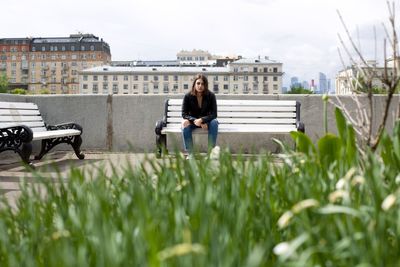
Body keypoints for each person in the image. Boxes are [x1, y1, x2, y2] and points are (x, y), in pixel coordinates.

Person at [181, 74, 218, 156]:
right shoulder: (188, 96)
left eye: (202, 84)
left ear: (205, 85)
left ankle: (211, 152)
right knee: (184, 124)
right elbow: (184, 114)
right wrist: (195, 120)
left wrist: (202, 120)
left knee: (214, 123)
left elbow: (214, 114)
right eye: (198, 83)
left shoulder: (211, 96)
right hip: (193, 122)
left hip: (206, 122)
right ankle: (190, 153)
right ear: (194, 84)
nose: (200, 86)